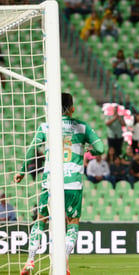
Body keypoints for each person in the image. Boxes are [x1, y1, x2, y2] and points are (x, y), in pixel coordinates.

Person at [16, 93, 104, 275]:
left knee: (40, 220)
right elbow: (101, 148)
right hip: (73, 184)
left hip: (51, 183)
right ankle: (64, 261)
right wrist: (88, 149)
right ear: (72, 108)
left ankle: (30, 260)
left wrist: (23, 170)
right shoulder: (81, 127)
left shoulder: (46, 126)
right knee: (72, 222)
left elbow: (32, 148)